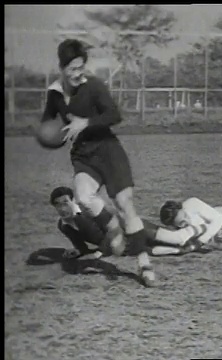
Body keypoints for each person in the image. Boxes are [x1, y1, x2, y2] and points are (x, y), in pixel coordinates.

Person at [41, 39, 154, 286]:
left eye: (81, 66)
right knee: (82, 196)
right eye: (72, 68)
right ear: (61, 67)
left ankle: (144, 264)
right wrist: (47, 132)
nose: (77, 72)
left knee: (125, 204)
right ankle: (114, 228)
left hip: (109, 151)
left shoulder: (93, 86)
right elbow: (49, 121)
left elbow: (114, 115)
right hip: (83, 155)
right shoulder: (55, 92)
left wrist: (86, 122)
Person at [50, 186, 205, 259]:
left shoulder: (86, 213)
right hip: (124, 244)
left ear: (74, 201)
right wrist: (77, 251)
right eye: (58, 204)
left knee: (177, 239)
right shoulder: (64, 225)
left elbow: (107, 231)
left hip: (134, 228)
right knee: (161, 251)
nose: (62, 208)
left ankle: (203, 227)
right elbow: (82, 246)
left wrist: (99, 252)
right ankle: (199, 243)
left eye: (66, 202)